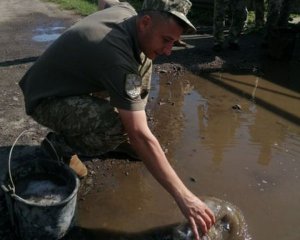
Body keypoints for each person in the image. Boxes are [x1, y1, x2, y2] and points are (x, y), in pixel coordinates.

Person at [19, 0, 215, 239]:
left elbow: (108, 2)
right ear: (145, 22)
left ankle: (125, 127)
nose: (168, 51)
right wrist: (185, 198)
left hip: (72, 83)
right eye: (166, 40)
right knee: (122, 129)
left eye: (174, 42)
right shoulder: (117, 55)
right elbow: (139, 133)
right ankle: (59, 147)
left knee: (144, 63)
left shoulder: (128, 14)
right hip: (45, 98)